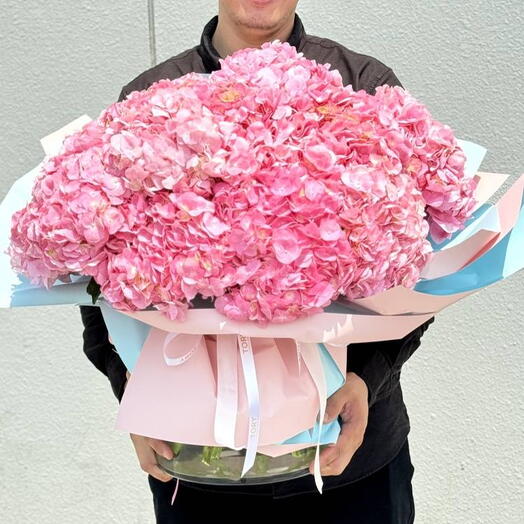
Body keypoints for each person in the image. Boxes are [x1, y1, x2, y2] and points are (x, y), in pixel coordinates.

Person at [80, 1, 435, 522]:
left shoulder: (362, 85)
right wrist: (132, 393)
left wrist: (368, 378)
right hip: (203, 469)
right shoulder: (152, 97)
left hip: (349, 454)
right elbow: (95, 268)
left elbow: (422, 261)